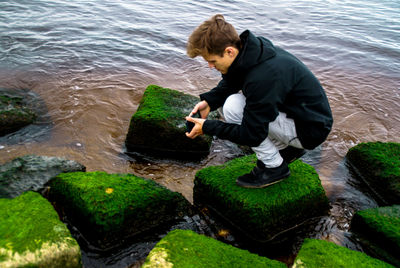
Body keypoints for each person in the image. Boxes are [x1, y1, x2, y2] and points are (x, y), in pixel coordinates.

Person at [185, 14, 333, 188]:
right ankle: (286, 149)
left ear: (229, 51)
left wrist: (207, 127)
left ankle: (274, 167)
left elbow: (250, 134)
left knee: (233, 107)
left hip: (309, 131)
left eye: (212, 61)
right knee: (237, 104)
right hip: (304, 116)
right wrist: (209, 102)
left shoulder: (263, 78)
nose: (210, 66)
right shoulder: (254, 51)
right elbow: (235, 78)